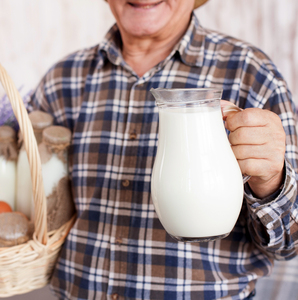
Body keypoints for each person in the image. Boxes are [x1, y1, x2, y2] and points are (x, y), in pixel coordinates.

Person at [29, 0, 298, 299]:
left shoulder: (251, 73)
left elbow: (292, 244)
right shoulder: (62, 81)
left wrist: (271, 182)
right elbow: (28, 205)